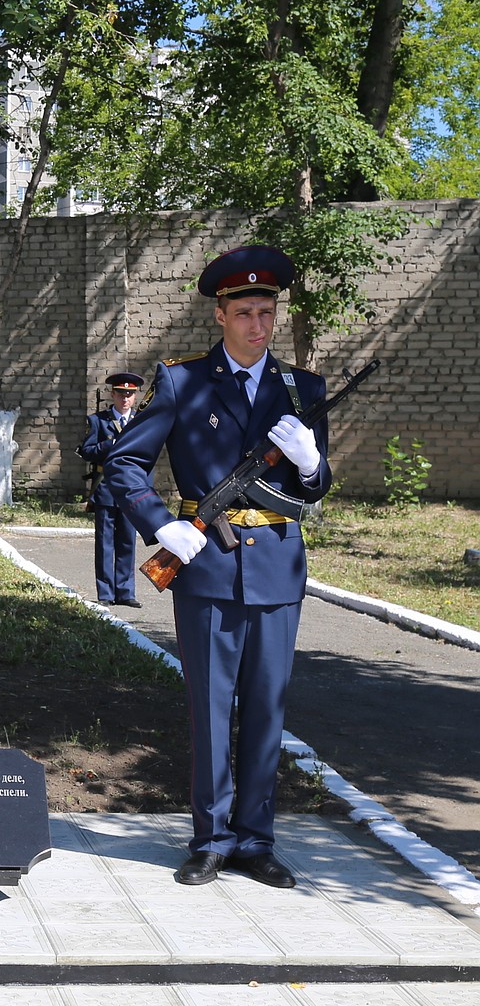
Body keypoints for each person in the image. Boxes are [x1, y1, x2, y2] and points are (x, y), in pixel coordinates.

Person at [103, 245, 331, 889]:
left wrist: (310, 462)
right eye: (245, 312)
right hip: (205, 564)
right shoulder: (183, 381)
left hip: (279, 568)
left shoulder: (303, 389)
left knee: (267, 707)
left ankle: (256, 841)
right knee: (211, 707)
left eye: (267, 312)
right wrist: (160, 522)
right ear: (220, 316)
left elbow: (315, 489)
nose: (258, 325)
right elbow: (124, 464)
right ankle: (210, 837)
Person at [78, 372, 146, 607]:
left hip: (131, 490)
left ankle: (126, 592)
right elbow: (86, 450)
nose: (125, 398)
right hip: (106, 488)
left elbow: (149, 455)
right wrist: (111, 444)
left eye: (129, 394)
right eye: (121, 393)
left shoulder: (141, 422)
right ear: (113, 394)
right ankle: (106, 592)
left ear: (135, 397)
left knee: (127, 541)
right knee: (105, 543)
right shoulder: (98, 421)